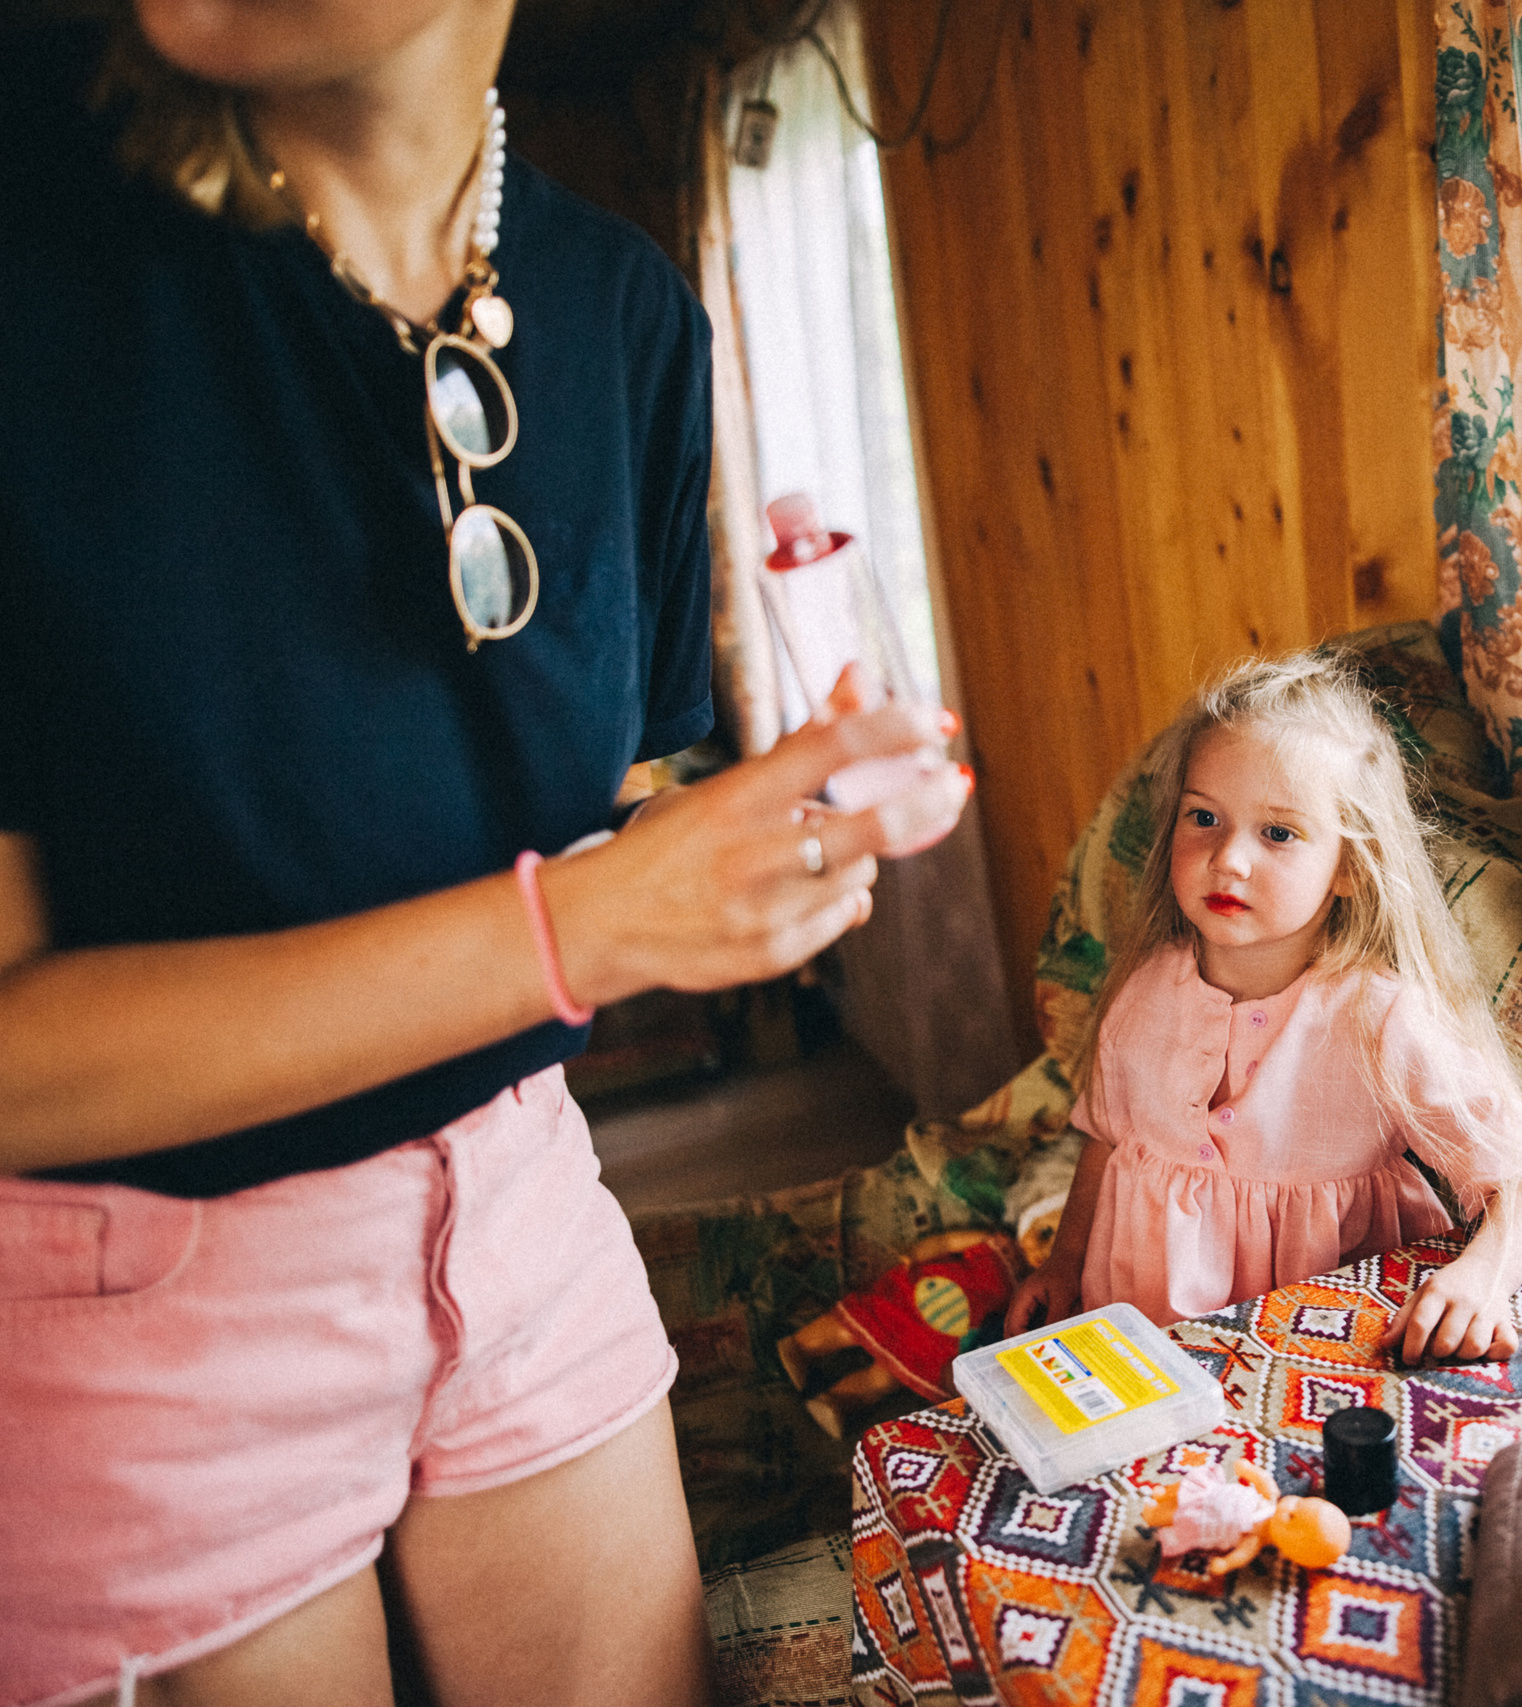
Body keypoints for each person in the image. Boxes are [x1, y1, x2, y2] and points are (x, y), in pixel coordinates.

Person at [0, 3, 969, 1704]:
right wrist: (587, 926)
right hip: (128, 1287)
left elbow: (583, 841)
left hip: (521, 1196)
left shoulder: (628, 320)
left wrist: (774, 840)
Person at [1002, 653, 1522, 1366]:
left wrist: (1478, 1281)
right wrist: (1065, 1263)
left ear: (1349, 865)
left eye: (1277, 832)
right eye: (1204, 817)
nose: (1229, 859)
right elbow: (1106, 1134)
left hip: (1309, 1367)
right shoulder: (1144, 988)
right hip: (1140, 1350)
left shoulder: (1377, 1019)